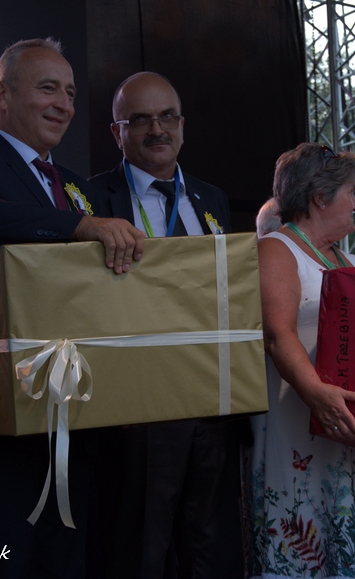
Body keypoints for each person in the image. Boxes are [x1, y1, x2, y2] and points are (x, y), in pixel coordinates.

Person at [0, 37, 144, 579]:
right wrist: (77, 226)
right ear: (1, 93)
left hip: (74, 418)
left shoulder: (74, 186)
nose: (63, 104)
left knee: (67, 566)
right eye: (48, 89)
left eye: (69, 93)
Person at [86, 71, 242, 579]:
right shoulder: (89, 200)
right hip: (138, 411)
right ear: (117, 132)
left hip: (212, 403)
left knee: (212, 553)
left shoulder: (211, 198)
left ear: (182, 125)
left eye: (167, 116)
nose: (157, 129)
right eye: (140, 119)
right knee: (141, 554)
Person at [245, 143, 355, 578]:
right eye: (351, 193)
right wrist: (316, 393)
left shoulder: (353, 260)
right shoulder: (276, 249)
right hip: (299, 429)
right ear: (320, 197)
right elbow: (277, 333)